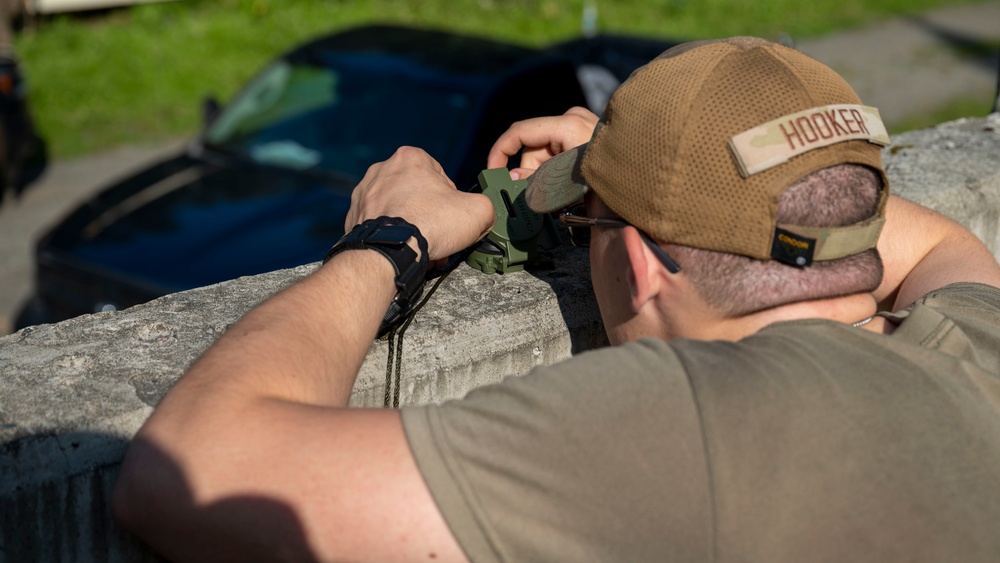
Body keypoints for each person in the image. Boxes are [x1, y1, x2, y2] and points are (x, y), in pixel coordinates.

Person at [112, 37, 1000, 562]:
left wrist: (388, 239)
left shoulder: (679, 428)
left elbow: (190, 468)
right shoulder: (974, 344)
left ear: (643, 268)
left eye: (595, 222)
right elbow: (926, 241)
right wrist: (638, 171)